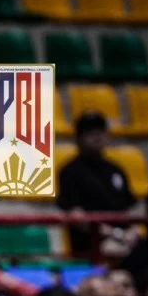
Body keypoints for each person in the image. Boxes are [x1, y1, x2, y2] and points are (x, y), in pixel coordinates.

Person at [57, 111, 137, 258]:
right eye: (90, 132)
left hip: (125, 239)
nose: (97, 136)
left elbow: (127, 210)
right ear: (79, 138)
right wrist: (116, 234)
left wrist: (132, 232)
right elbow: (76, 216)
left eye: (100, 131)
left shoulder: (116, 170)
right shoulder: (70, 171)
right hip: (91, 244)